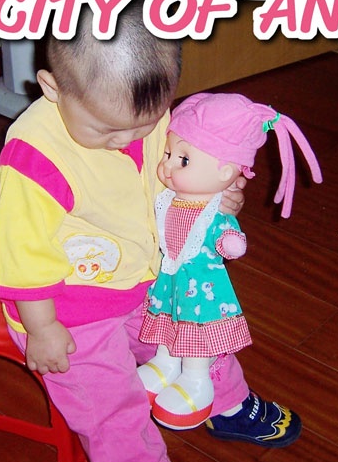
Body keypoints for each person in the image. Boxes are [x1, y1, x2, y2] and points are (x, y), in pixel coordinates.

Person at [0, 0, 303, 462]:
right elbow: (21, 255)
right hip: (69, 311)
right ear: (52, 88)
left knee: (200, 330)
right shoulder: (35, 158)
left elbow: (176, 177)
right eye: (107, 130)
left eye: (146, 124)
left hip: (147, 278)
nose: (127, 140)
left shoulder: (141, 114)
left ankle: (226, 402)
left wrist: (214, 199)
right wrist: (42, 327)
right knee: (111, 405)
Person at [138, 93, 322, 431]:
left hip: (201, 289)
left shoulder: (208, 206)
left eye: (181, 159)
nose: (167, 167)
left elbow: (224, 235)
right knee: (167, 322)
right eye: (167, 155)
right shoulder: (168, 199)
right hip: (168, 279)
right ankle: (165, 364)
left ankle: (201, 385)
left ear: (224, 170)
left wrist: (228, 236)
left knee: (200, 335)